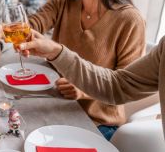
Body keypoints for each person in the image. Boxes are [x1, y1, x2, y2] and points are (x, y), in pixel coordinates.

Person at [27, 0, 146, 140]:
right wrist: (0, 30)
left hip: (98, 123)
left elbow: (126, 86)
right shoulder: (63, 2)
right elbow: (30, 25)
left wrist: (83, 89)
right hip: (55, 103)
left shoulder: (130, 20)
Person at [19, 30, 164, 138]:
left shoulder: (131, 19)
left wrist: (81, 92)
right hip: (69, 108)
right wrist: (56, 53)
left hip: (100, 122)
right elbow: (117, 85)